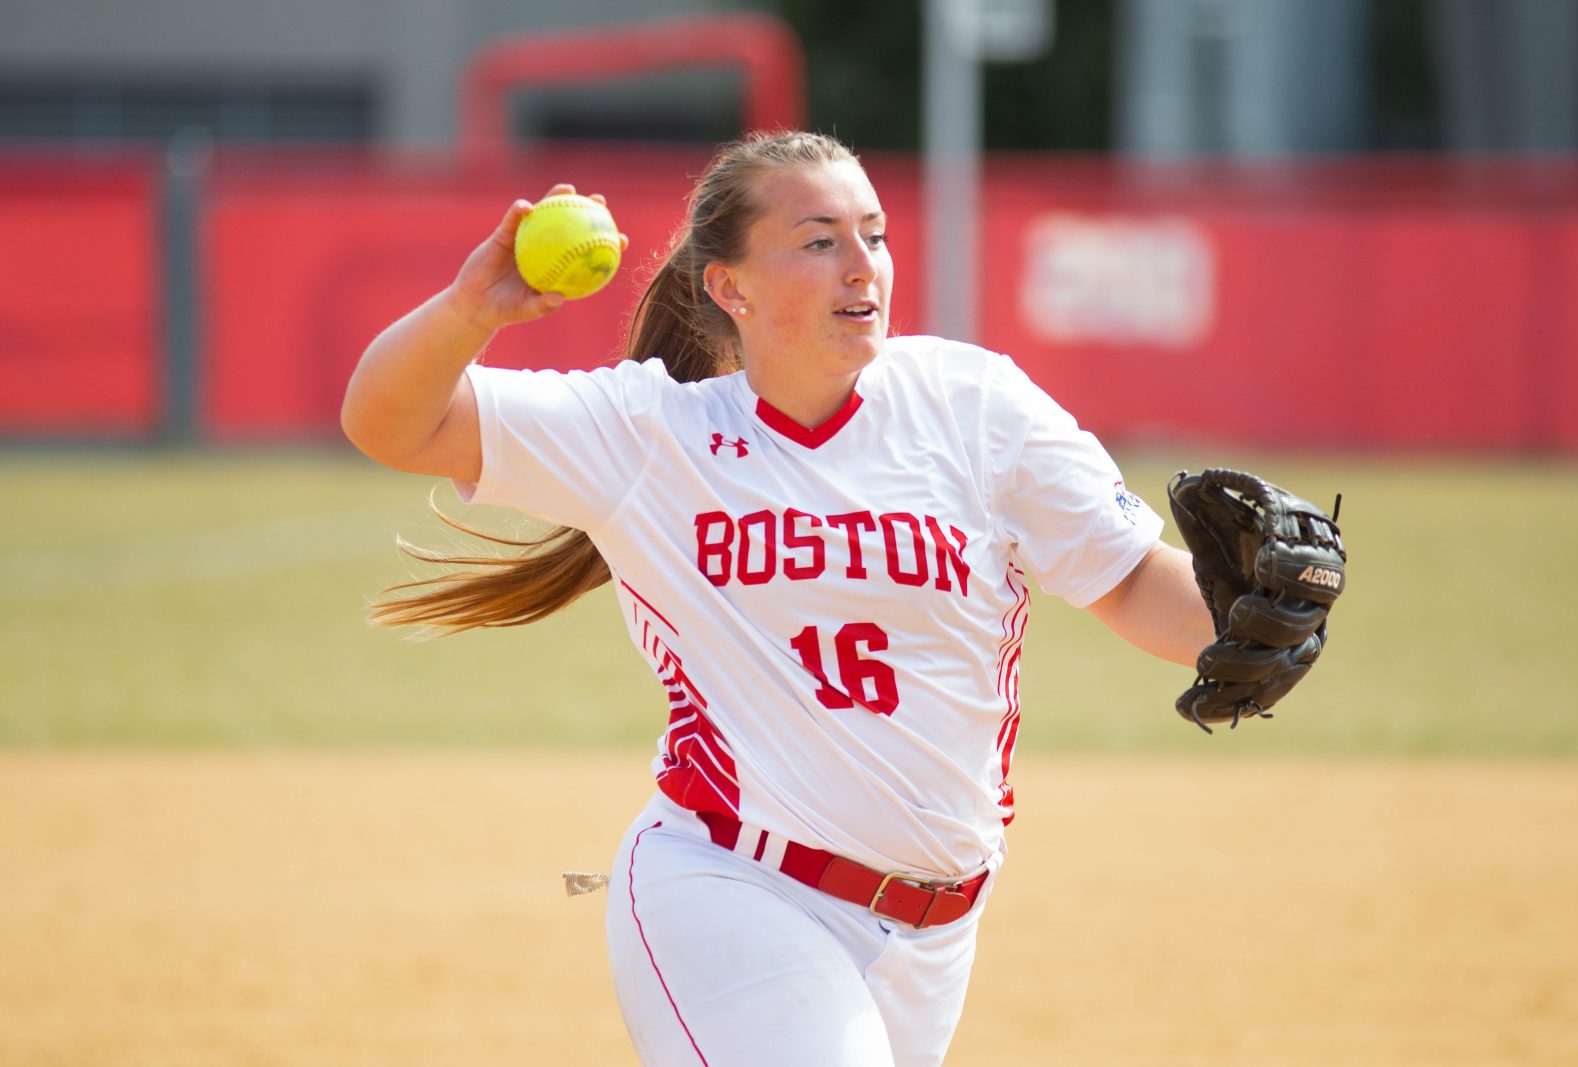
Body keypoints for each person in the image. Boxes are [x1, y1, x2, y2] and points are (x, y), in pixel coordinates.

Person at [341, 130, 1214, 1066]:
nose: (861, 266)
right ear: (729, 286)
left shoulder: (974, 405)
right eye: (819, 239)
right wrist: (472, 309)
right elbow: (389, 420)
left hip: (935, 928)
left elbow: (1130, 581)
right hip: (731, 886)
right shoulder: (649, 434)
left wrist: (1263, 618)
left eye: (872, 234)